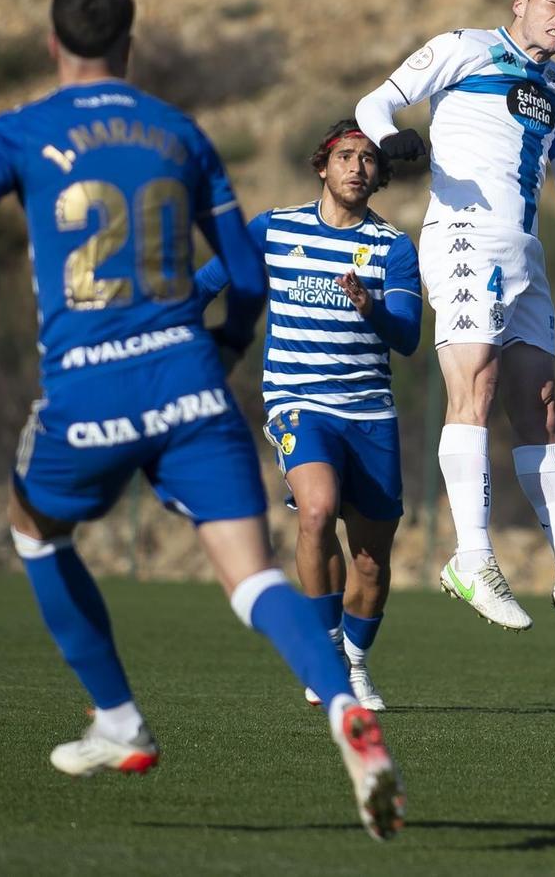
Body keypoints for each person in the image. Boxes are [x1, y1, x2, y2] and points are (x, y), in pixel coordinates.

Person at [0, 0, 406, 838]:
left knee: (34, 529)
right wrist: (221, 350)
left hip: (89, 390)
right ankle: (341, 705)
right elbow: (248, 278)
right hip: (189, 381)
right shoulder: (179, 132)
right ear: (131, 48)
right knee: (253, 576)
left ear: (51, 44)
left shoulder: (16, 132)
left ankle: (118, 718)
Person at [353, 0, 555, 629]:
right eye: (553, 0)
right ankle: (471, 557)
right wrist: (389, 139)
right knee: (477, 388)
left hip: (524, 249)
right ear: (520, 1)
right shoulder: (464, 46)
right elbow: (374, 104)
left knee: (540, 406)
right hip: (465, 234)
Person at [192, 122, 419, 712]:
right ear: (323, 166)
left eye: (369, 160)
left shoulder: (394, 246)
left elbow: (410, 336)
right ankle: (326, 659)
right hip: (298, 401)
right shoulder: (272, 228)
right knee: (316, 511)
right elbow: (206, 284)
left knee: (371, 562)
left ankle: (356, 663)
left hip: (369, 410)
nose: (357, 168)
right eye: (346, 156)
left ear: (379, 175)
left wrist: (371, 309)